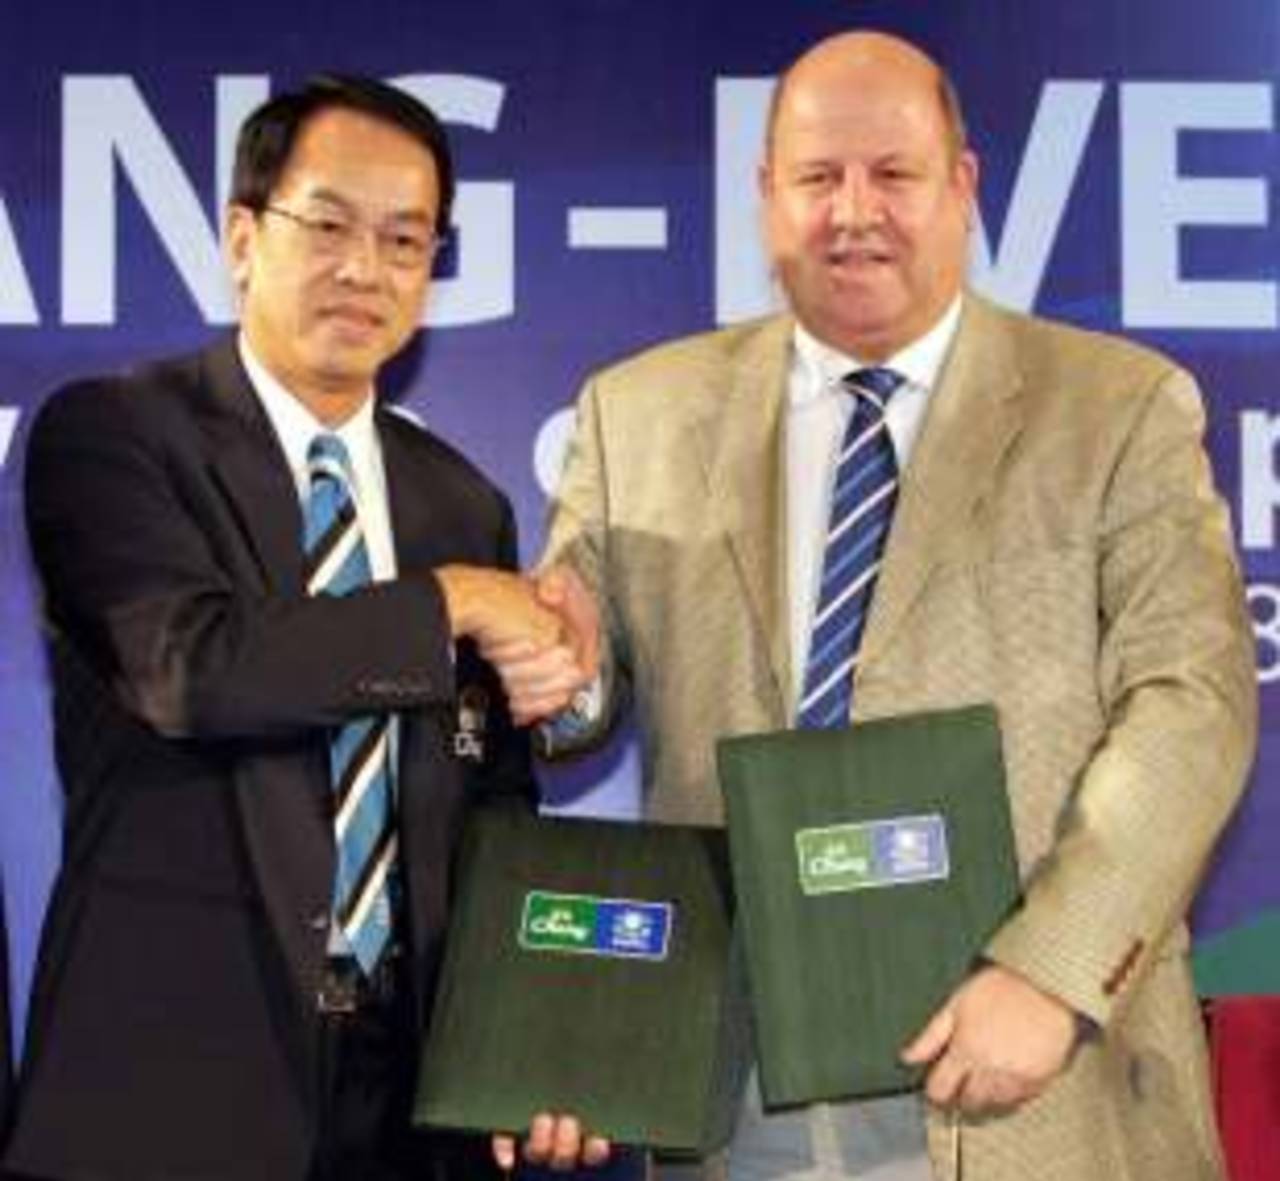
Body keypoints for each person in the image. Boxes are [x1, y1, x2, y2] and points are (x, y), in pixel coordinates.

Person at [488, 30, 1258, 1181]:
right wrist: (562, 671)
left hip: (1033, 1081)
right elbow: (581, 689)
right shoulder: (632, 413)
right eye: (816, 178)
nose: (853, 212)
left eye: (892, 175)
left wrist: (1049, 968)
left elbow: (1190, 706)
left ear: (961, 185)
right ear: (763, 197)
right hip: (742, 1092)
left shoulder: (1116, 407)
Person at [8, 75, 559, 1181]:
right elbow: (196, 671)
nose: (366, 268)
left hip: (410, 1106)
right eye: (329, 224)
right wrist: (445, 601)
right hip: (168, 1089)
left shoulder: (461, 503)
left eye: (407, 240)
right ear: (242, 237)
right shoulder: (113, 434)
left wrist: (530, 1041)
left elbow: (491, 806)